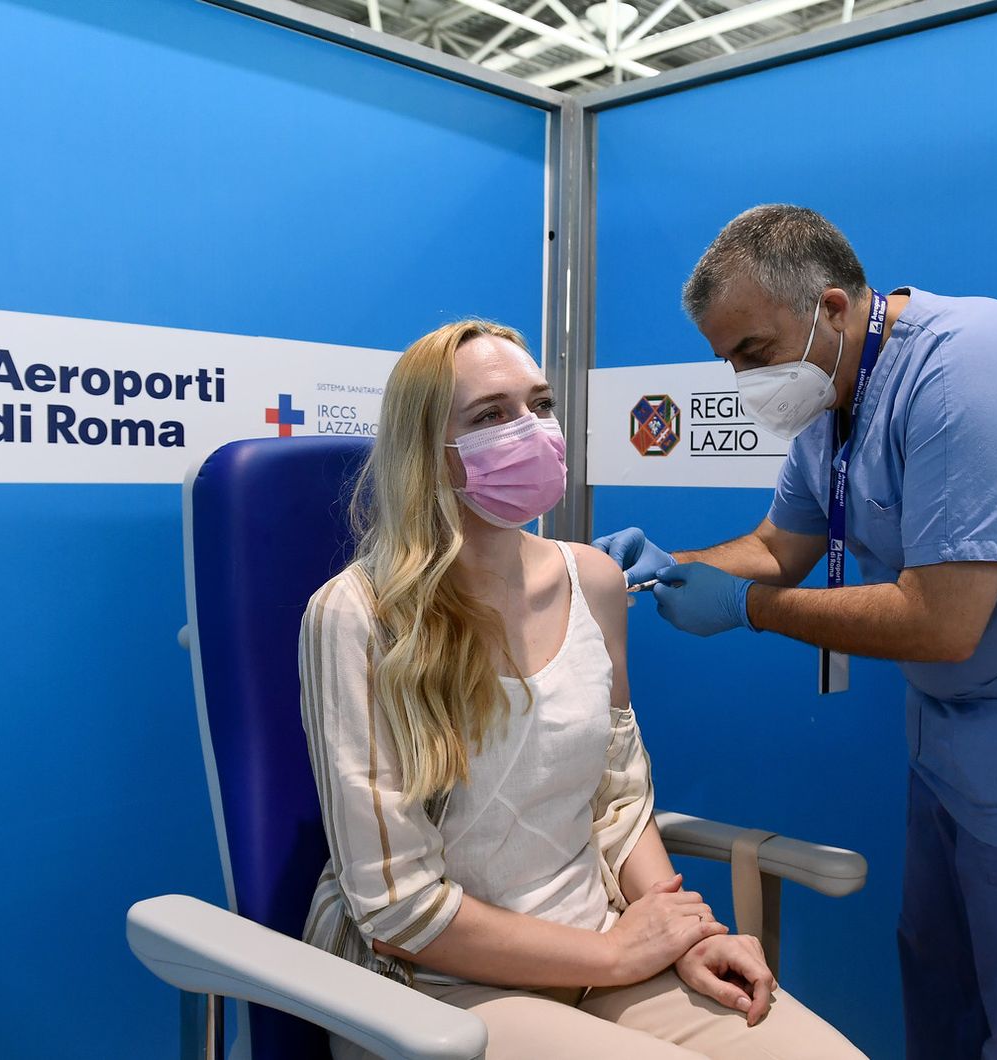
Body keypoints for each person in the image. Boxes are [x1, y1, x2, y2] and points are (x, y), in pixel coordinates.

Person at [595, 205, 997, 1060]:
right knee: (944, 1006)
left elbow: (941, 621)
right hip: (956, 748)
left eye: (752, 353)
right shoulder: (834, 396)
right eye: (728, 360)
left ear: (833, 308)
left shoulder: (973, 369)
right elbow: (777, 547)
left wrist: (745, 609)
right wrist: (667, 561)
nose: (743, 379)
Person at [298, 319, 866, 1060]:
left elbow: (619, 797)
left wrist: (679, 929)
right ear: (427, 453)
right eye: (491, 415)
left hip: (602, 940)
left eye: (539, 404)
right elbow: (396, 908)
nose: (531, 430)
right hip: (431, 983)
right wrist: (619, 956)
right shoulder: (358, 615)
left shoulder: (592, 581)